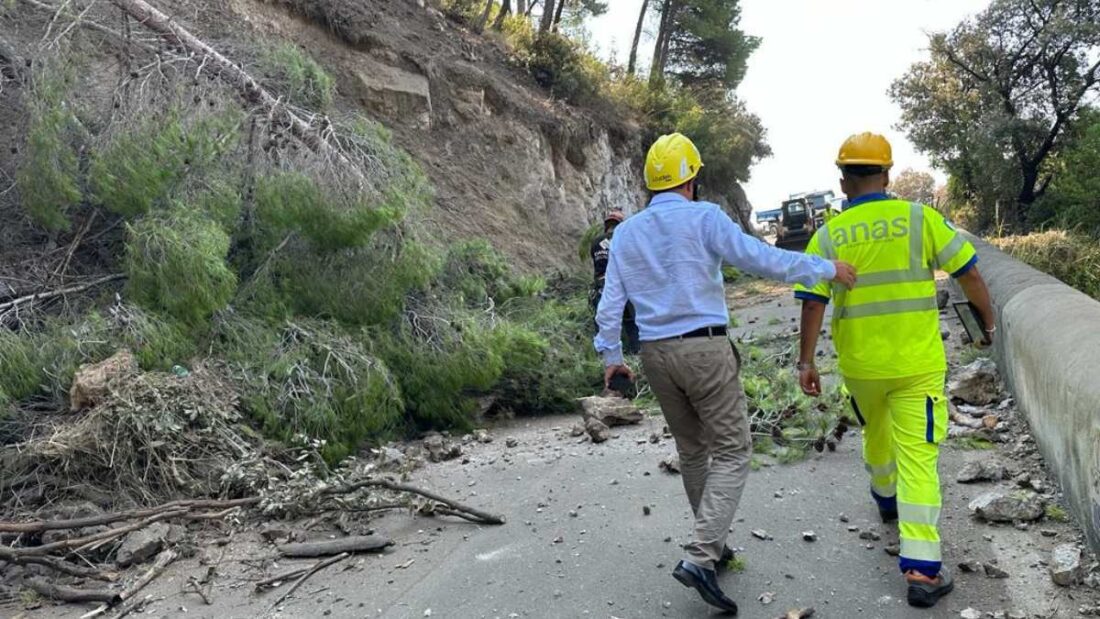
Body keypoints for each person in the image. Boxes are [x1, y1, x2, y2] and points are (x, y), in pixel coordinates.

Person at [595, 133, 857, 614]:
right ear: (691, 180)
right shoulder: (705, 218)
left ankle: (709, 543)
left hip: (655, 354)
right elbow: (763, 260)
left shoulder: (625, 233)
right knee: (735, 449)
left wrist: (611, 356)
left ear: (651, 184)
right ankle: (700, 556)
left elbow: (610, 303)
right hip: (705, 350)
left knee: (692, 451)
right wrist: (823, 268)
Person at [794, 132, 996, 609]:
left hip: (862, 365)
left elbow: (811, 303)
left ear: (843, 182)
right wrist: (985, 321)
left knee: (876, 432)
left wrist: (806, 362)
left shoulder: (826, 235)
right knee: (920, 456)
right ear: (886, 174)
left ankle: (886, 498)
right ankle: (923, 571)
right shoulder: (919, 219)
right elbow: (968, 272)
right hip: (916, 364)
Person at [590, 211, 640, 355]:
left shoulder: (595, 242)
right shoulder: (623, 239)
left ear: (606, 225)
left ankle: (603, 358)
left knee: (602, 324)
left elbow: (595, 261)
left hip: (601, 286)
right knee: (630, 321)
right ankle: (635, 353)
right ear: (620, 225)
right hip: (621, 285)